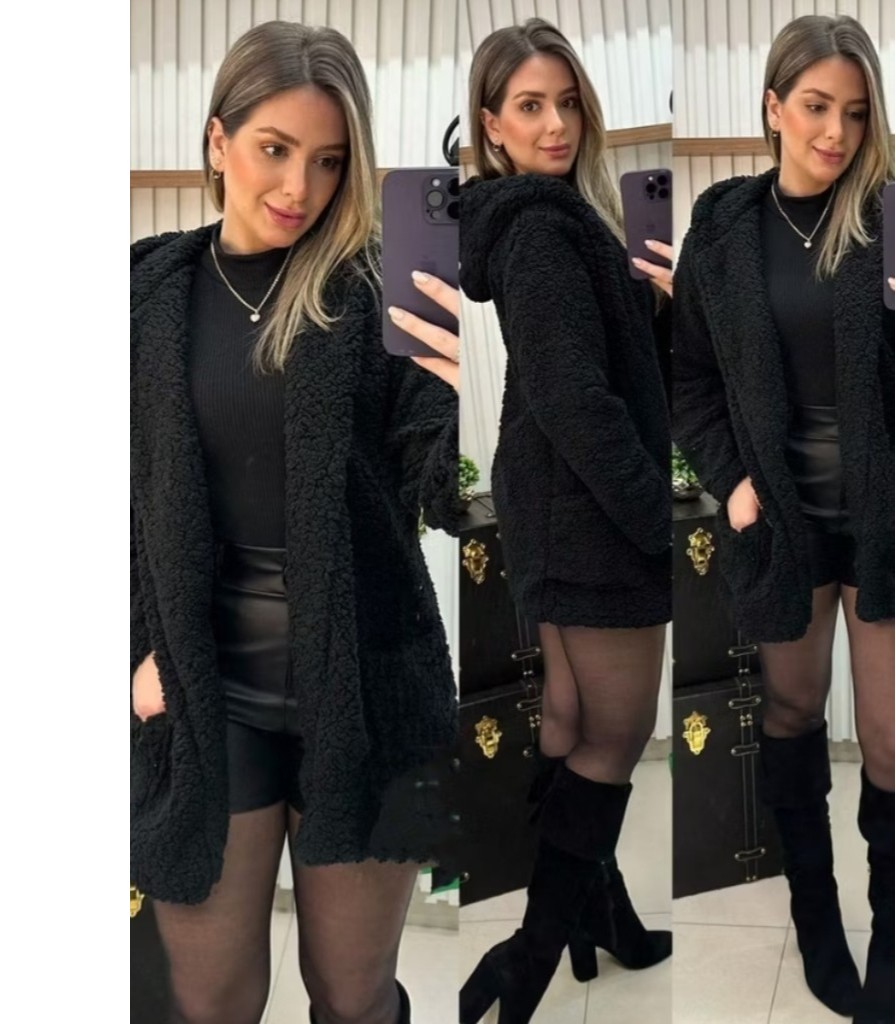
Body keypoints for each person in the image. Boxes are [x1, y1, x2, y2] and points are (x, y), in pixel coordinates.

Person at [130, 21, 460, 1024]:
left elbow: (445, 494)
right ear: (218, 138)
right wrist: (129, 652)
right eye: (274, 149)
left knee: (355, 999)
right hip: (203, 697)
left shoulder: (377, 294)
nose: (299, 187)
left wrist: (474, 390)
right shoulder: (144, 291)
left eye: (328, 161)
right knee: (210, 1001)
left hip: (367, 691)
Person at [672, 14, 894, 1024]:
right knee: (794, 714)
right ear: (772, 106)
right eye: (814, 106)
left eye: (854, 112)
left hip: (888, 522)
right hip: (782, 525)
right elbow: (688, 377)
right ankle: (816, 918)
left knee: (893, 743)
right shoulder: (723, 226)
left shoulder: (893, 217)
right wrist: (731, 482)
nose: (834, 131)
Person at [458, 18, 672, 1024]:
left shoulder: (548, 220)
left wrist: (657, 303)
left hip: (552, 504)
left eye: (567, 102)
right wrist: (654, 517)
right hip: (591, 513)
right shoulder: (545, 229)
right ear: (491, 126)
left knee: (573, 724)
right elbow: (575, 397)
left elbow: (588, 366)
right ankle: (528, 962)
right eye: (529, 106)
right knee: (615, 739)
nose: (555, 124)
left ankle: (602, 919)